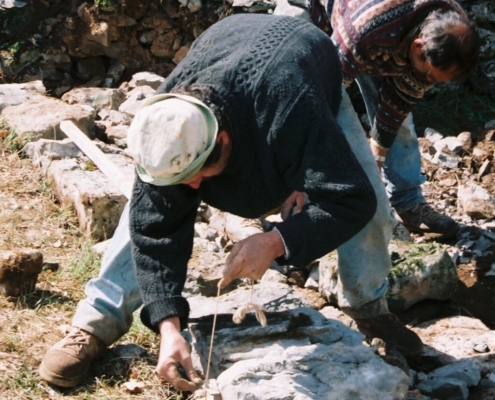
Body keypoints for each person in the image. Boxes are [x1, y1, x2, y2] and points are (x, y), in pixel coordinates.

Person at [39, 13, 422, 392]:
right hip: (231, 50)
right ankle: (94, 321)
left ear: (220, 138)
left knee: (370, 213)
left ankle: (368, 306)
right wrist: (169, 327)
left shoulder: (290, 105)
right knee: (147, 210)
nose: (189, 185)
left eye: (196, 172)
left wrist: (275, 242)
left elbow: (349, 199)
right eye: (180, 176)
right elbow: (155, 230)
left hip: (304, 75)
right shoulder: (168, 127)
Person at [275, 0, 480, 237]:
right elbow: (322, 99)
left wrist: (375, 161)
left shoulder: (451, 28)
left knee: (399, 125)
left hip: (384, 38)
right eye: (428, 75)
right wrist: (302, 175)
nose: (428, 82)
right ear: (417, 46)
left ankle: (408, 201)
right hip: (311, 10)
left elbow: (399, 101)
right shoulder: (367, 31)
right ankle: (284, 190)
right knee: (293, 83)